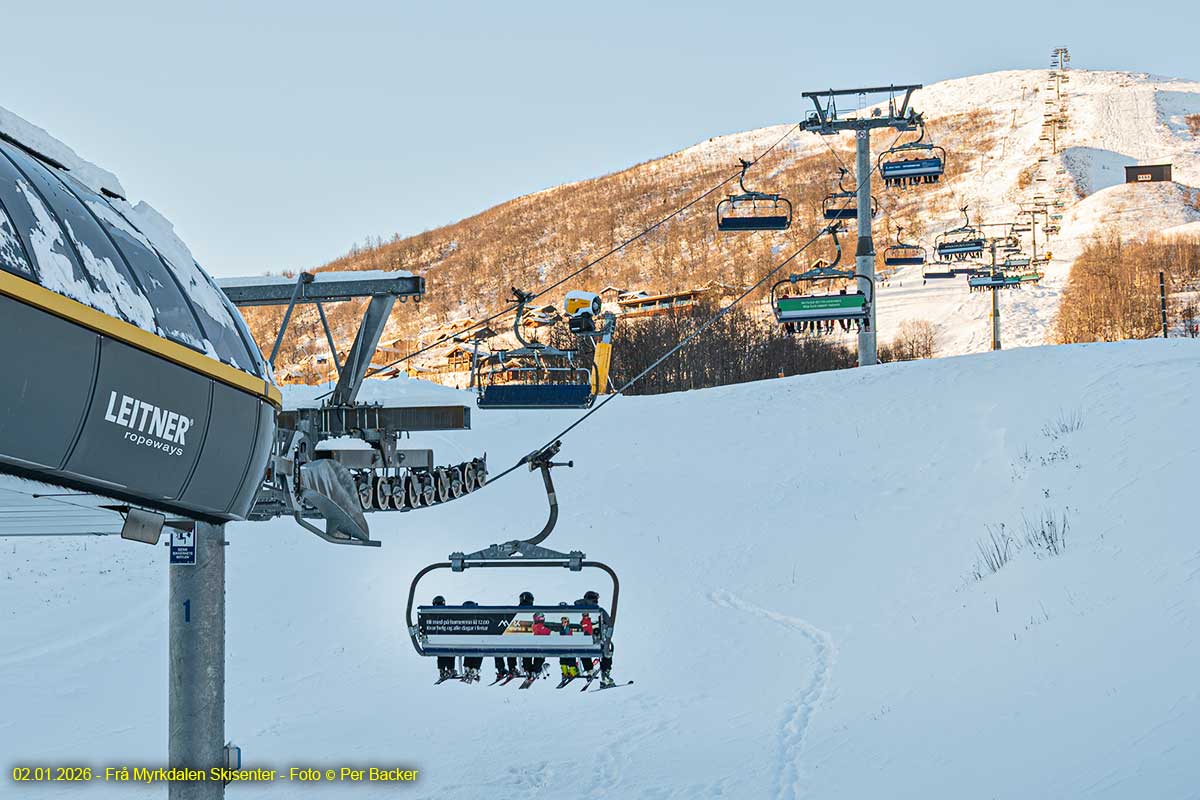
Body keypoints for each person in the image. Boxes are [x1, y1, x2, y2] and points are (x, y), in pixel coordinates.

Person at [495, 590, 534, 681]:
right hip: (527, 640)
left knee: (510, 647)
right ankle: (527, 668)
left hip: (512, 639)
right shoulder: (532, 611)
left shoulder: (514, 611)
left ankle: (511, 668)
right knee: (528, 647)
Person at [432, 596, 457, 680]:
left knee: (440, 647)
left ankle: (442, 670)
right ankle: (450, 668)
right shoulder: (448, 613)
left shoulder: (430, 614)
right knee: (449, 645)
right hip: (449, 641)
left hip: (435, 642)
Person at [461, 601, 482, 683]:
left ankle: (468, 667)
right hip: (478, 644)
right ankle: (474, 668)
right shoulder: (479, 620)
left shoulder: (461, 620)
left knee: (468, 645)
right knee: (480, 646)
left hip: (465, 644)